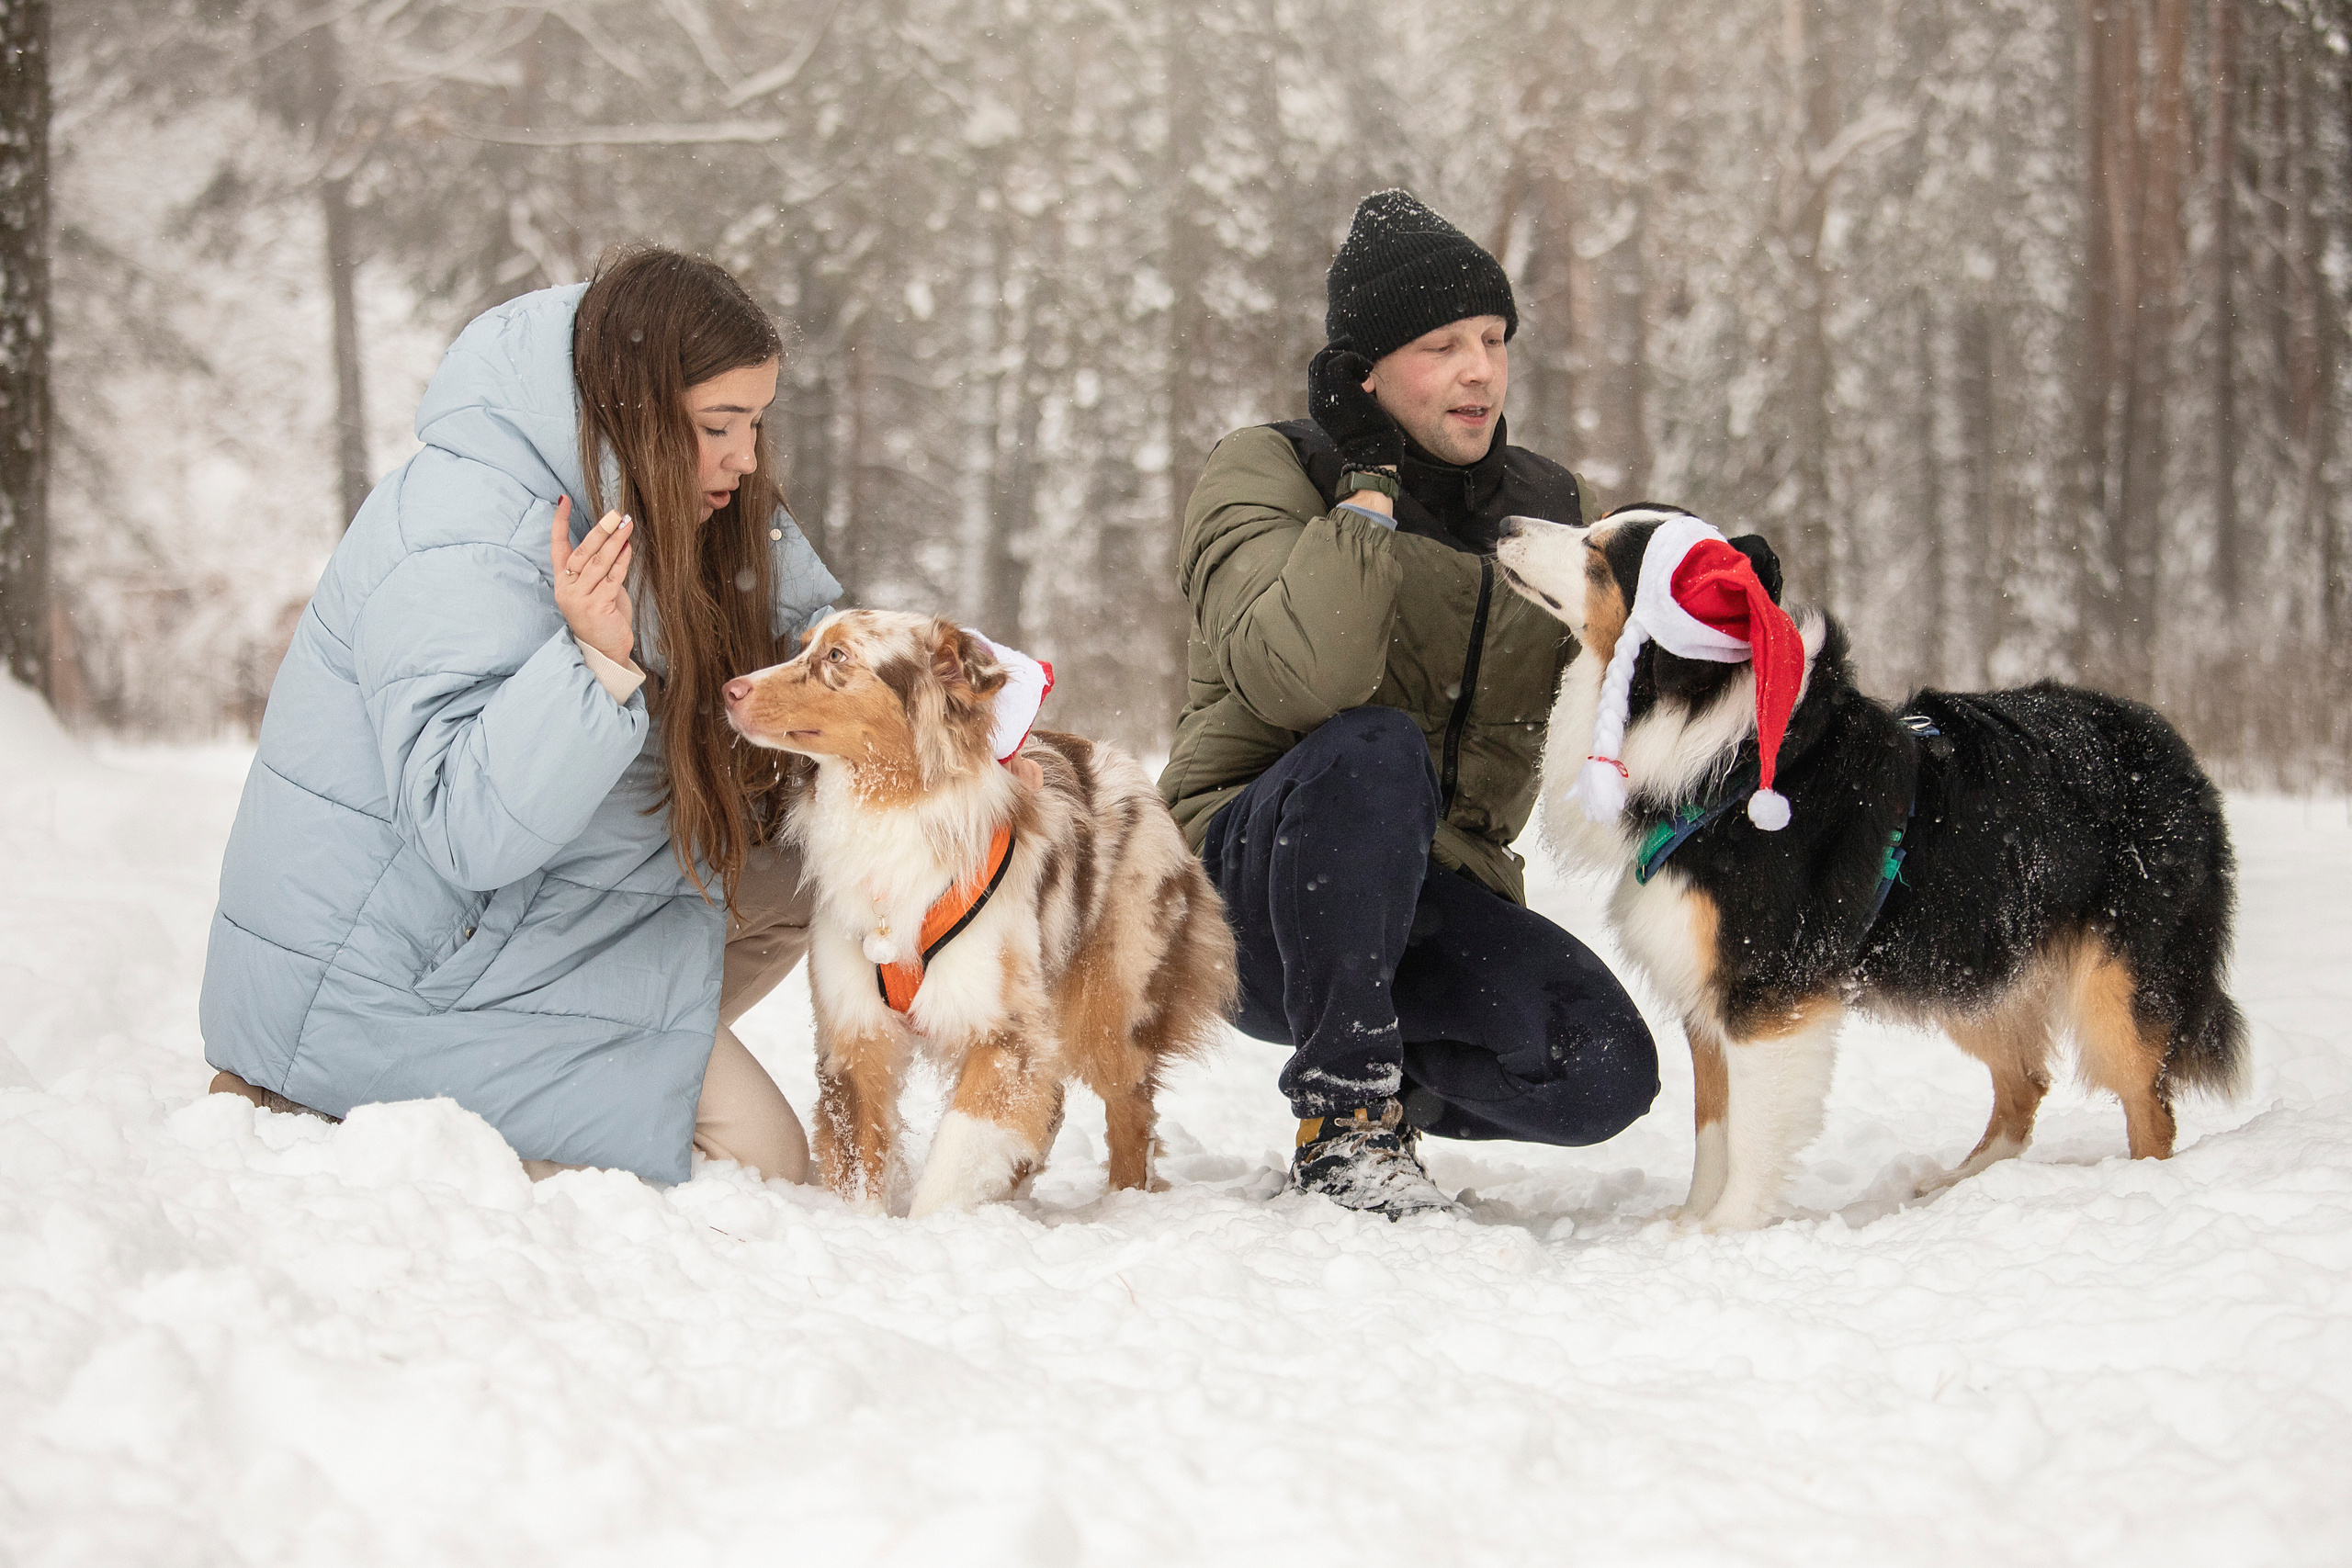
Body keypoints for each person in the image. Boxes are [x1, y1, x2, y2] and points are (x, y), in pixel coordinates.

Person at [200, 246, 1042, 1186]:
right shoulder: (455, 533)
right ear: (637, 405)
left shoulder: (683, 489)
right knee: (762, 1163)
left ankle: (621, 1062)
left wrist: (975, 735)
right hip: (401, 973)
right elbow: (464, 831)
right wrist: (592, 661)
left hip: (543, 915)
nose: (746, 456)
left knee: (834, 853)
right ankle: (329, 1095)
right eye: (720, 425)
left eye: (756, 423)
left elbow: (813, 643)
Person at [1159, 189, 1659, 1218]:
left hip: (1426, 896)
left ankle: (1379, 1060)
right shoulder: (1269, 469)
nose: (1480, 368)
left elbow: (1633, 707)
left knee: (1601, 1069)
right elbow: (1310, 677)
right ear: (1364, 372)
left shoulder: (1553, 511)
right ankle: (1344, 1123)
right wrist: (1368, 490)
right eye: (1441, 344)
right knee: (1373, 746)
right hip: (1238, 895)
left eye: (1493, 337)